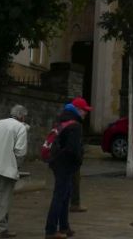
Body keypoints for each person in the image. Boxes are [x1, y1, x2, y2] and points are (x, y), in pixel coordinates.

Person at [45, 98, 89, 239]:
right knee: (59, 196)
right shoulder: (75, 126)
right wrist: (79, 160)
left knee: (65, 195)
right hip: (66, 164)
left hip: (57, 162)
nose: (86, 114)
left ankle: (64, 226)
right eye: (84, 111)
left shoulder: (61, 120)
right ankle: (51, 230)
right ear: (78, 110)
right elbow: (73, 148)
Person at [0, 105, 28, 238]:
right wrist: (17, 166)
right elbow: (20, 151)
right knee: (5, 196)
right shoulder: (20, 127)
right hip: (8, 165)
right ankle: (1, 228)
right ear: (22, 116)